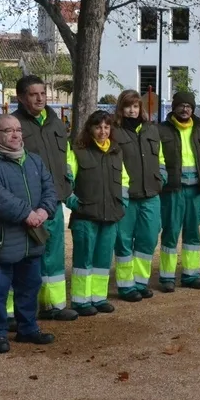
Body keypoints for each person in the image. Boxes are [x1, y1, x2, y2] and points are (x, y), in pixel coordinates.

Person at [0, 114, 58, 353]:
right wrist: (26, 214)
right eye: (8, 130)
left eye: (18, 129)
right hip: (1, 239)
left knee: (30, 286)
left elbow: (50, 188)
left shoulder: (34, 160)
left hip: (32, 238)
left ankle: (28, 328)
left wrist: (44, 210)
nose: (16, 134)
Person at [13, 75, 78, 322]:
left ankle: (53, 305)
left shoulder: (55, 122)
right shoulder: (14, 124)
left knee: (54, 255)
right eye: (33, 94)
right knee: (26, 256)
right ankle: (23, 309)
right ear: (20, 97)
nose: (40, 98)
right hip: (29, 204)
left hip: (55, 202)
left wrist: (68, 184)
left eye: (43, 93)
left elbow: (66, 158)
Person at [65, 110, 128, 315]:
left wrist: (123, 203)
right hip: (85, 217)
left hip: (111, 215)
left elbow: (125, 181)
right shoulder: (78, 151)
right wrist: (74, 203)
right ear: (90, 128)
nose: (103, 131)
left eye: (106, 127)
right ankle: (81, 301)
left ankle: (98, 297)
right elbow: (67, 181)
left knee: (103, 259)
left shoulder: (116, 152)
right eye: (98, 127)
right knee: (84, 259)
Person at [112, 90, 164, 302]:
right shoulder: (114, 132)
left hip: (151, 194)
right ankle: (126, 286)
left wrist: (162, 176)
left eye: (135, 106)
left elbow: (160, 156)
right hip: (127, 196)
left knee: (148, 238)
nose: (132, 110)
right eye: (128, 106)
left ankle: (140, 281)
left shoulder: (151, 129)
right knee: (124, 241)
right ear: (121, 108)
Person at [157, 91, 200, 291]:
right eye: (181, 105)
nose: (185, 108)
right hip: (173, 189)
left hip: (196, 189)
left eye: (188, 105)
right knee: (170, 232)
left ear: (193, 108)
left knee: (193, 234)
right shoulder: (162, 130)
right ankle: (167, 277)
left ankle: (191, 275)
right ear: (173, 107)